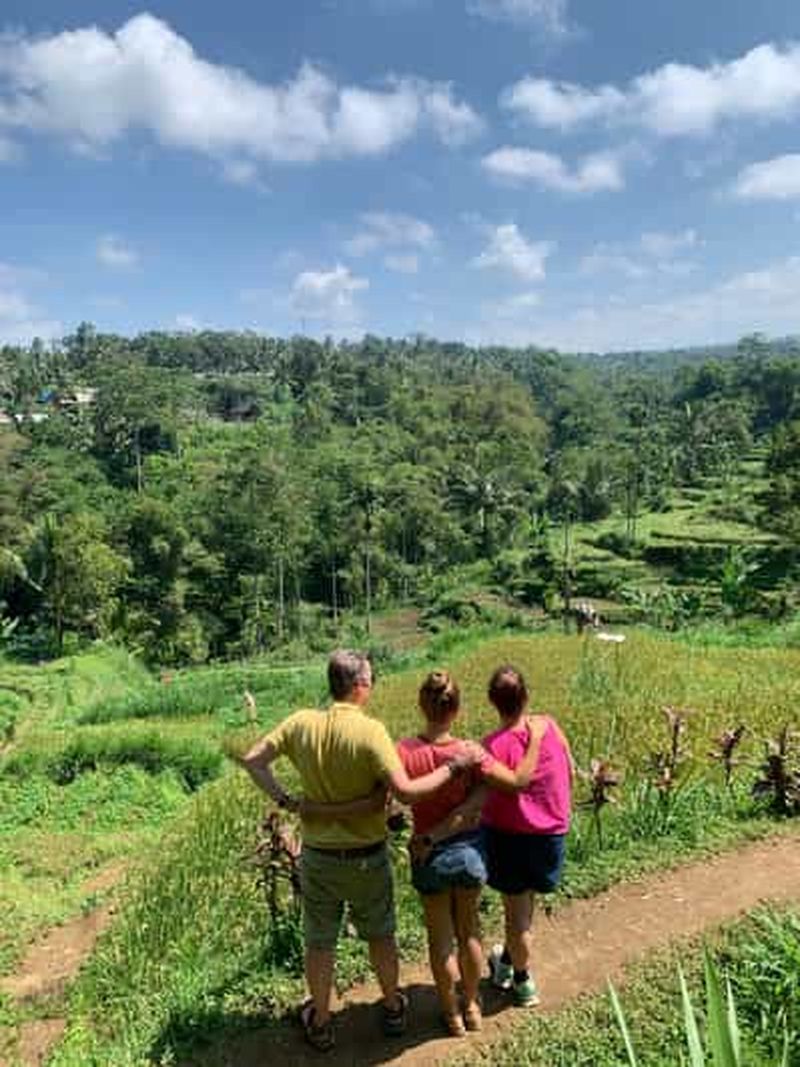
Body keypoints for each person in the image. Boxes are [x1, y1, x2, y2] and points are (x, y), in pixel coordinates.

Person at [238, 650, 479, 1052]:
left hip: (318, 857)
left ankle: (320, 1020)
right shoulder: (370, 732)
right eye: (370, 680)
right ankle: (392, 1007)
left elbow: (253, 760)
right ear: (360, 686)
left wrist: (287, 800)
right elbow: (404, 791)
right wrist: (454, 767)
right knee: (380, 935)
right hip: (367, 857)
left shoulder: (301, 723)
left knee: (319, 941)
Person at [398, 670, 546, 1036]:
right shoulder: (471, 752)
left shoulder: (405, 751)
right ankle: (473, 1007)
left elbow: (393, 802)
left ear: (421, 704)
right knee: (471, 934)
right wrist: (534, 741)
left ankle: (450, 1015)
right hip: (469, 855)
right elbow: (512, 784)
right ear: (457, 708)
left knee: (440, 940)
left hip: (427, 856)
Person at [481, 665, 573, 1008]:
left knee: (516, 916)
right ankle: (506, 962)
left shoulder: (490, 746)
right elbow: (569, 766)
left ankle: (522, 981)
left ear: (493, 702)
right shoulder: (549, 726)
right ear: (527, 697)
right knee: (525, 907)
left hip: (510, 838)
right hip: (550, 832)